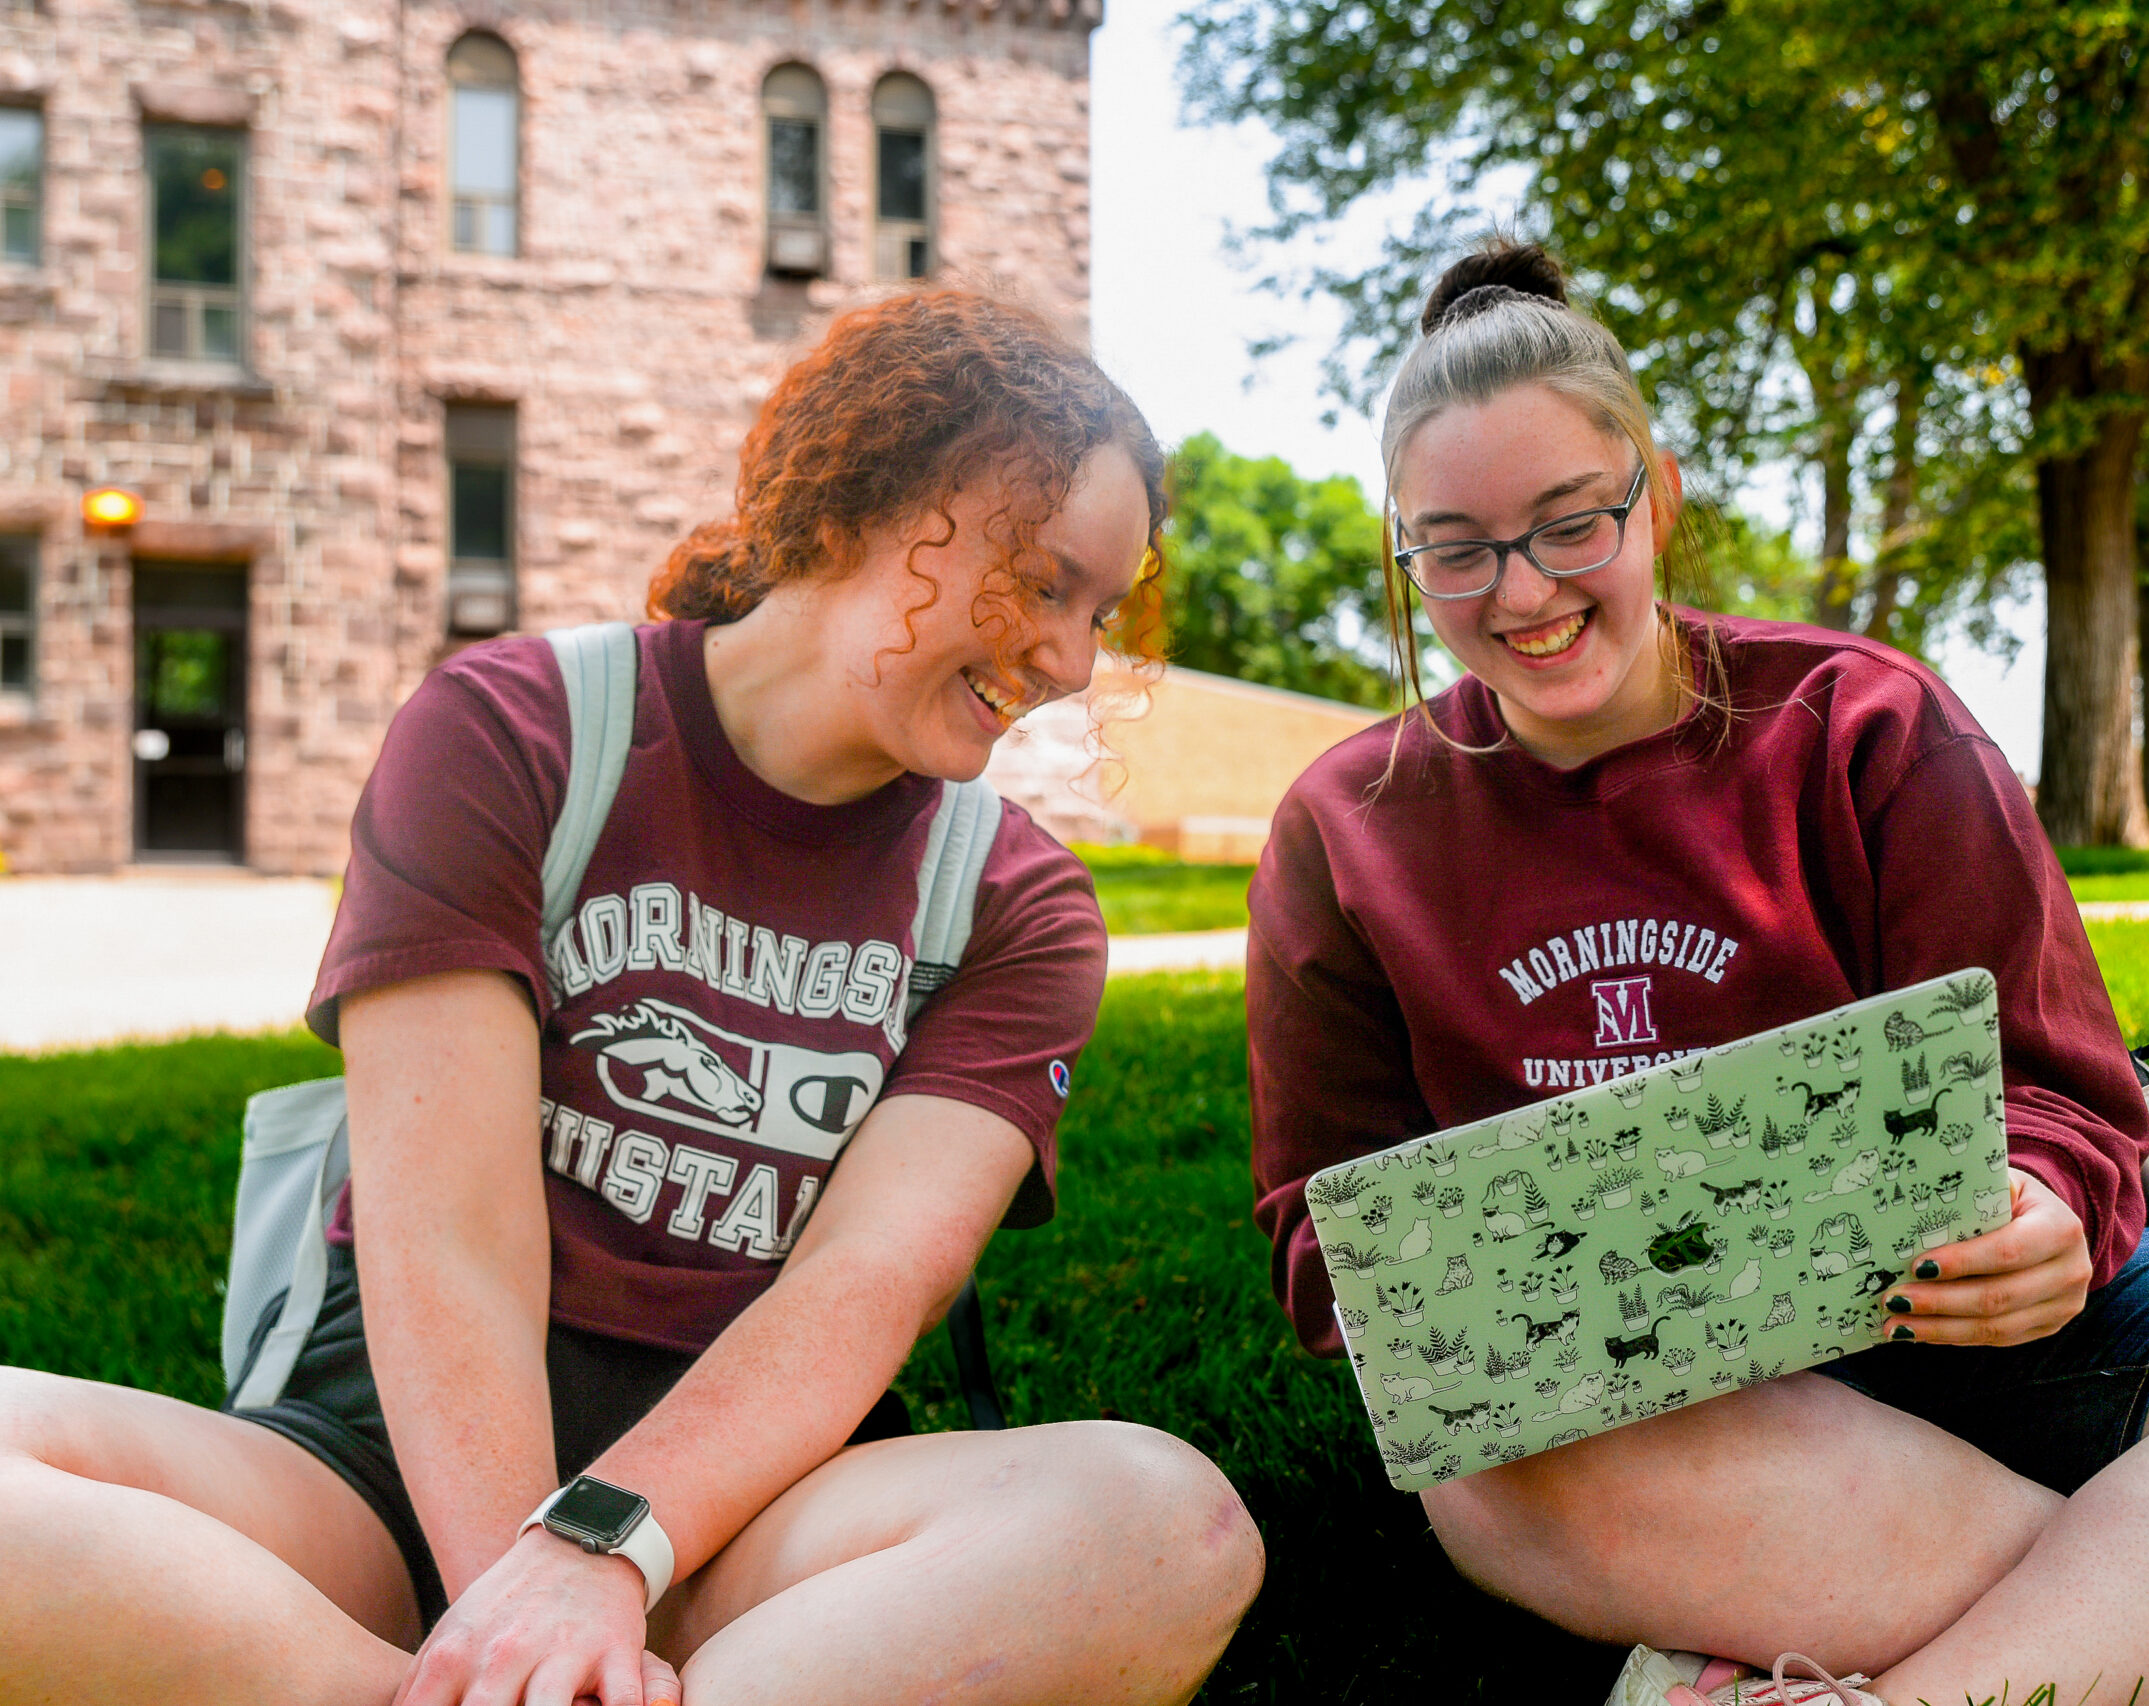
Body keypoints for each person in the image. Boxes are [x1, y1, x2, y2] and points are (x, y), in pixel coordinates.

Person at [1244, 241, 2149, 1706]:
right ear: (1406, 555)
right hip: (1642, 1422)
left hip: (1975, 1333)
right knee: (1480, 1471)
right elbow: (1322, 1234)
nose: (1522, 591)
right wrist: (1468, 1282)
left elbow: (2056, 1084)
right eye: (1457, 548)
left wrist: (2051, 1203)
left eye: (1570, 526)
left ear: (1656, 500)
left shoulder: (1864, 721)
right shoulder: (1340, 830)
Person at [0, 287, 1262, 1706]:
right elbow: (450, 1242)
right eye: (1046, 583)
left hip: (741, 1522)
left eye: (1099, 610)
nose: (1073, 663)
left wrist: (605, 1552)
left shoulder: (1018, 905)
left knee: (1165, 1523)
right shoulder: (511, 731)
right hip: (378, 1470)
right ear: (884, 494)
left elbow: (866, 1281)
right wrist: (524, 1600)